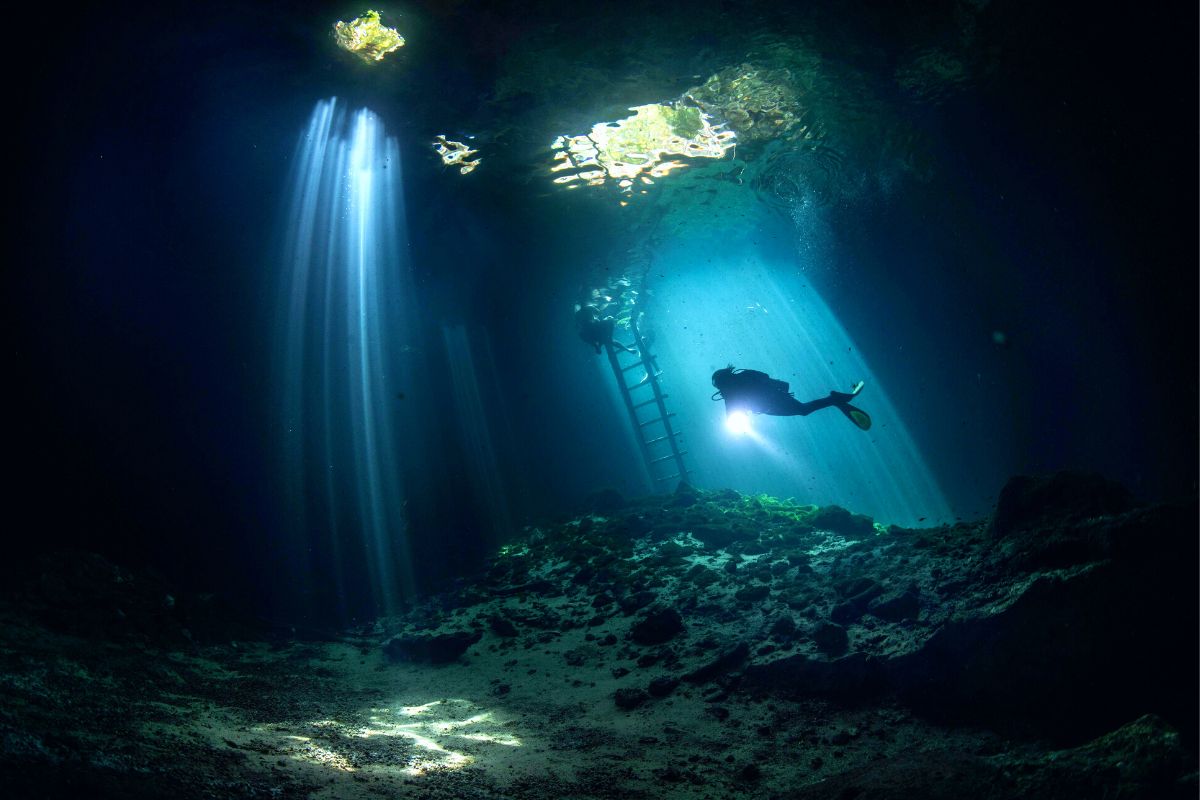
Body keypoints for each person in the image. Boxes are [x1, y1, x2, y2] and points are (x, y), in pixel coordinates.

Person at [711, 365, 872, 430]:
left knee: (803, 410)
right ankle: (835, 400)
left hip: (773, 402)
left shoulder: (739, 384)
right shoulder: (736, 388)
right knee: (803, 410)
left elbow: (731, 417)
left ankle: (834, 399)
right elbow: (732, 416)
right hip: (772, 403)